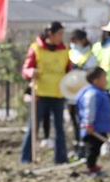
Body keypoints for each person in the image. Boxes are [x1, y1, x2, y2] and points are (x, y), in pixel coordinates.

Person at [20, 22, 71, 165]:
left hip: (58, 93)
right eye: (59, 33)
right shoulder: (36, 48)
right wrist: (31, 72)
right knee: (33, 127)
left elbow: (69, 71)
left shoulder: (65, 49)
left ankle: (61, 158)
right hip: (40, 93)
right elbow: (25, 70)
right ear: (51, 34)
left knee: (59, 128)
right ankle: (26, 157)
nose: (62, 37)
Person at [76, 67, 110, 177]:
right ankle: (90, 166)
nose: (106, 80)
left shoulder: (100, 92)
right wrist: (88, 123)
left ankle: (92, 165)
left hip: (100, 127)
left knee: (96, 147)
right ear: (96, 80)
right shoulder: (92, 94)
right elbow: (89, 109)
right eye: (104, 78)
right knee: (92, 149)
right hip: (92, 128)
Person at [67, 29, 97, 158]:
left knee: (82, 119)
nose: (75, 43)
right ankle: (76, 145)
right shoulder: (71, 52)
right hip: (71, 90)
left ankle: (84, 147)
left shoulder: (90, 55)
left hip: (84, 91)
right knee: (73, 119)